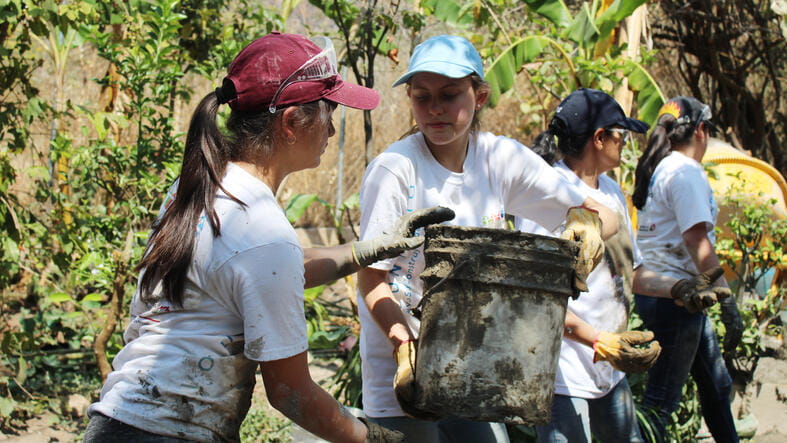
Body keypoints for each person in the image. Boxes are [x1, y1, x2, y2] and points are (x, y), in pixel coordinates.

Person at [83, 32, 454, 443]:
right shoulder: (263, 234)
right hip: (170, 432)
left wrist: (366, 251)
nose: (332, 130)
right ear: (291, 123)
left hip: (118, 421)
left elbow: (257, 272)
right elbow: (290, 392)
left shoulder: (202, 186)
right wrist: (376, 438)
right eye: (328, 112)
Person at [355, 35, 626, 442]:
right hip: (403, 380)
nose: (434, 108)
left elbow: (606, 215)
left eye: (449, 95)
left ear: (479, 96)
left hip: (475, 367)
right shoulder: (396, 170)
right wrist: (403, 345)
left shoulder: (500, 160)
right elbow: (371, 277)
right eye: (422, 96)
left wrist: (588, 226)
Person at [521, 89, 729, 443]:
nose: (625, 142)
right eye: (621, 134)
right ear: (599, 138)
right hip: (563, 371)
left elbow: (632, 273)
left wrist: (679, 288)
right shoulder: (550, 192)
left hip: (609, 367)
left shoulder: (611, 192)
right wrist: (599, 341)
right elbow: (539, 296)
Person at [632, 96, 743, 442]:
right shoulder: (685, 171)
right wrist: (727, 302)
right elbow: (697, 241)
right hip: (677, 300)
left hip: (666, 295)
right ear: (700, 130)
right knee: (660, 405)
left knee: (716, 385)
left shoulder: (662, 168)